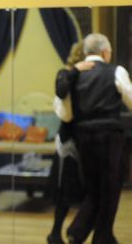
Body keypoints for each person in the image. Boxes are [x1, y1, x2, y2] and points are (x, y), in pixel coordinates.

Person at [55, 33, 132, 244]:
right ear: (105, 52)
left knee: (93, 189)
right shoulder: (115, 71)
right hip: (109, 137)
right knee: (111, 188)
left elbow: (66, 113)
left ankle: (78, 233)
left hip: (83, 138)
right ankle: (100, 238)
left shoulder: (74, 74)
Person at [48, 40, 92, 244]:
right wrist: (76, 70)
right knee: (65, 192)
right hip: (69, 143)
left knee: (88, 191)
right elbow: (60, 91)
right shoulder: (65, 73)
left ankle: (75, 232)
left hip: (87, 140)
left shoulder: (92, 76)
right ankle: (56, 233)